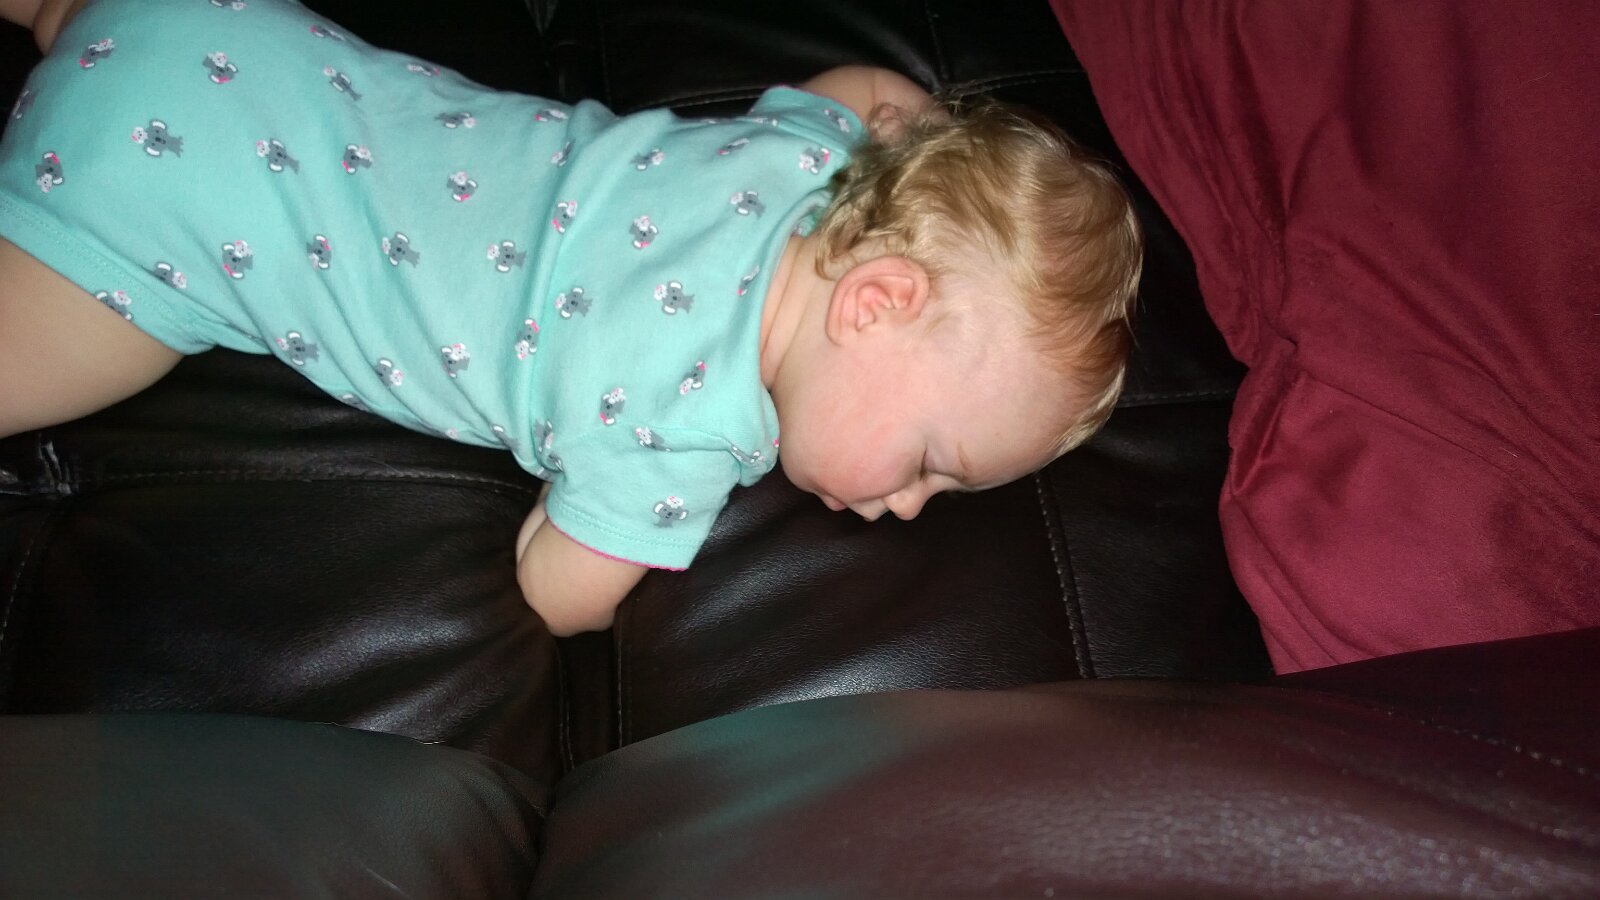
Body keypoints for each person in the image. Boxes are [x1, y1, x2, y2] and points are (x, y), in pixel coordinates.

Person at [0, 0, 1141, 635]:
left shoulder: (803, 160)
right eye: (933, 464)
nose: (908, 507)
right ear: (875, 301)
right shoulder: (678, 434)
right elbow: (556, 596)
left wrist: (929, 157)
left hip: (221, 39)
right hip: (161, 211)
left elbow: (865, 89)